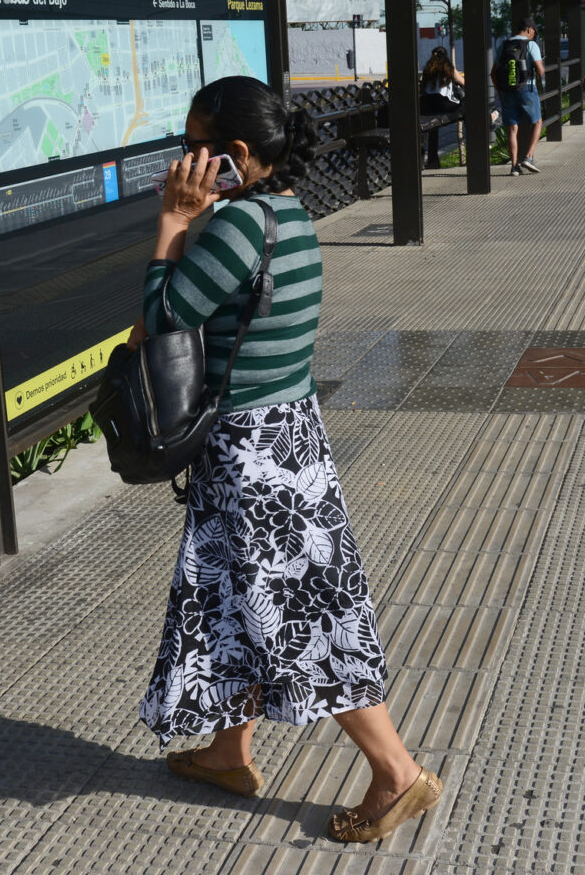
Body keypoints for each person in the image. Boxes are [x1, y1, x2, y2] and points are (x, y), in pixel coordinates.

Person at [136, 76, 441, 845]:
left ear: (235, 155)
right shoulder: (289, 213)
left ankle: (396, 772)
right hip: (287, 438)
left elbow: (162, 323)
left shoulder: (237, 227)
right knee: (233, 603)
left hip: (254, 458)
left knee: (297, 616)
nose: (183, 159)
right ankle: (226, 753)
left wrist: (172, 225)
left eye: (193, 144)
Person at [490, 16, 545, 176]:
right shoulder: (531, 44)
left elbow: (493, 72)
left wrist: (500, 92)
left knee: (512, 128)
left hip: (507, 91)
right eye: (533, 32)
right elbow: (540, 71)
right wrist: (542, 68)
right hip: (527, 89)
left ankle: (514, 166)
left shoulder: (504, 45)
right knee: (537, 122)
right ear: (529, 30)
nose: (534, 35)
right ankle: (528, 157)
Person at [419, 46, 466, 169]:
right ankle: (488, 119)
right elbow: (463, 83)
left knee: (431, 128)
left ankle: (431, 162)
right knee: (466, 107)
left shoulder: (427, 69)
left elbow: (423, 88)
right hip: (443, 104)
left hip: (427, 105)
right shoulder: (449, 68)